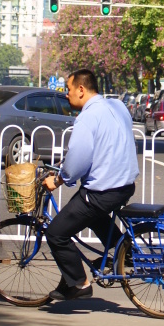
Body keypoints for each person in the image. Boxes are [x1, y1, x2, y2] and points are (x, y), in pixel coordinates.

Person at [43, 68, 139, 301]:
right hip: (125, 184)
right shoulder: (117, 107)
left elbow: (79, 157)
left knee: (56, 233)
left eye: (68, 89)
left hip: (103, 190)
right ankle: (123, 254)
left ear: (81, 89)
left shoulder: (87, 116)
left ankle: (80, 283)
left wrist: (58, 180)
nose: (66, 94)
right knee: (93, 215)